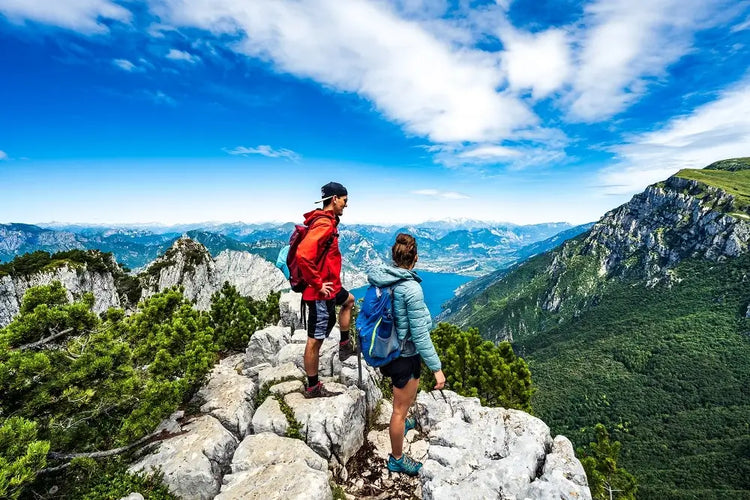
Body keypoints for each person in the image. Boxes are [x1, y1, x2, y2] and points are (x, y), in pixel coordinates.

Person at [366, 233, 446, 476]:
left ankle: (403, 423)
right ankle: (397, 458)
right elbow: (420, 336)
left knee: (402, 403)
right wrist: (437, 368)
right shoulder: (410, 288)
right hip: (405, 355)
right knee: (398, 410)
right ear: (416, 258)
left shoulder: (384, 278)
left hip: (388, 350)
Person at [297, 181, 356, 398]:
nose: (346, 205)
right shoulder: (323, 224)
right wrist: (318, 283)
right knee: (315, 340)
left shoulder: (328, 222)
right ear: (334, 199)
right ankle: (312, 387)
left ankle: (344, 345)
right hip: (320, 293)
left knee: (349, 300)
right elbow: (303, 254)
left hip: (332, 289)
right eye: (344, 200)